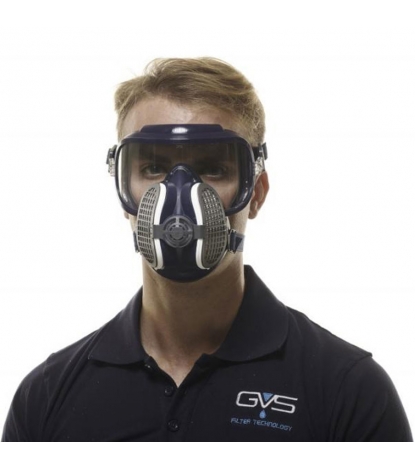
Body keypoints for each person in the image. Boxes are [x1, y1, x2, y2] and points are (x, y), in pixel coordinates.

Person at [2, 58, 412, 442]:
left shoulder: (348, 390)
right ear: (124, 191)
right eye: (153, 168)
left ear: (256, 193)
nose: (179, 196)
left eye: (213, 168)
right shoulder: (45, 397)